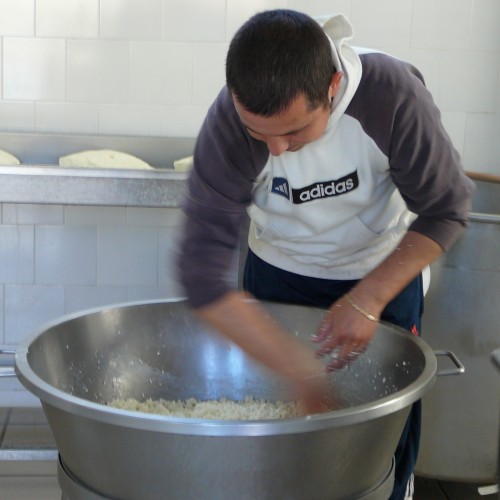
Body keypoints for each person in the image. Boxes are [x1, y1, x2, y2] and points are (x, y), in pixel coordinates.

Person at [176, 9, 474, 500]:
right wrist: (299, 372)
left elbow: (446, 209)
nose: (276, 150)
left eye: (294, 132)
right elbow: (200, 273)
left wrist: (368, 298)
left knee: (381, 438)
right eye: (259, 134)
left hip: (381, 272)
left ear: (332, 87)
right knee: (277, 434)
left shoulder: (391, 96)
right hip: (278, 272)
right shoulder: (229, 122)